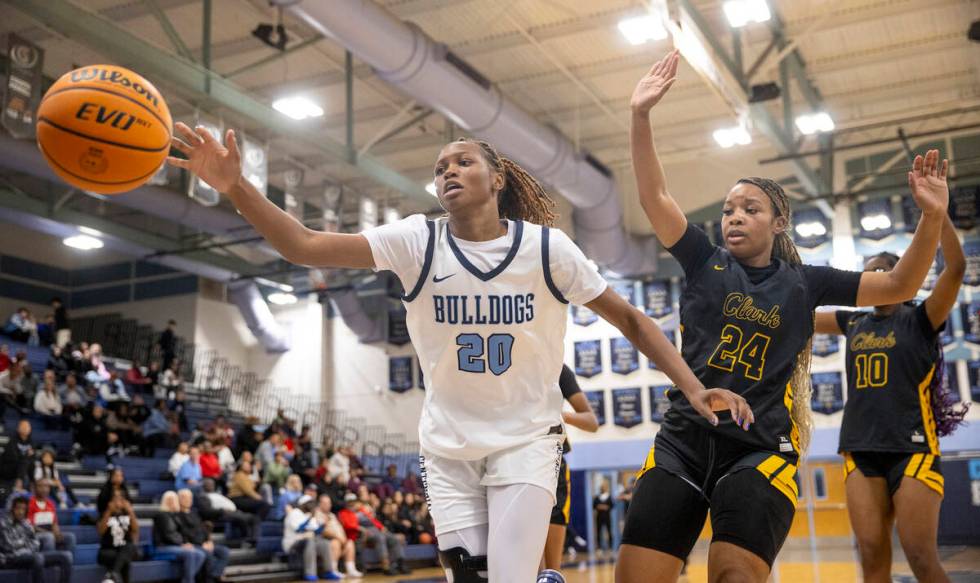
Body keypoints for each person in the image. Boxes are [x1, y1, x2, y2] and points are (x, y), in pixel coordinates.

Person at [168, 117, 748, 583]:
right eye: (440, 166)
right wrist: (235, 187)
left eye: (462, 161)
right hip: (447, 448)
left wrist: (692, 387)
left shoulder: (548, 249)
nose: (448, 171)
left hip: (526, 439)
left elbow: (631, 319)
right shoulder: (416, 241)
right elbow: (303, 245)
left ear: (496, 180)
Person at [617, 50, 950, 583]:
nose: (735, 217)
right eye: (728, 209)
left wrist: (931, 217)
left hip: (760, 448)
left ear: (779, 223)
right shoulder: (704, 259)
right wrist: (640, 115)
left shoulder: (805, 282)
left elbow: (902, 285)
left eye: (750, 208)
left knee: (734, 575)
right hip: (683, 437)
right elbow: (654, 194)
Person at [814, 216, 968, 583]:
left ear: (903, 277)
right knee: (870, 554)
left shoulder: (921, 318)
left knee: (920, 556)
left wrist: (938, 214)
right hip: (859, 447)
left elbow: (957, 268)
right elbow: (797, 318)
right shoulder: (853, 322)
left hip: (911, 447)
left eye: (884, 270)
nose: (877, 277)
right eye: (869, 273)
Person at [543, 364, 599, 572]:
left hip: (551, 460)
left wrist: (559, 415)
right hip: (510, 459)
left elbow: (591, 422)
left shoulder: (558, 369)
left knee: (549, 569)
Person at [0, 496, 72, 583]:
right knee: (38, 557)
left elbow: (35, 543)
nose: (20, 512)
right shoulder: (3, 523)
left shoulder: (26, 523)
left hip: (29, 555)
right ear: (12, 509)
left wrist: (25, 545)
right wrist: (26, 542)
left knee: (66, 556)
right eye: (18, 508)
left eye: (23, 509)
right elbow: (9, 546)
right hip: (11, 558)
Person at [337, 494, 408, 576]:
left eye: (353, 502)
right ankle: (386, 566)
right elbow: (347, 525)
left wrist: (381, 527)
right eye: (349, 502)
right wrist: (360, 528)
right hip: (364, 533)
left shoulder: (362, 511)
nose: (352, 504)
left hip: (375, 530)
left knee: (393, 538)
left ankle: (400, 562)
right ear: (346, 503)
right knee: (380, 537)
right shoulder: (344, 513)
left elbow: (373, 521)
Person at [283, 494, 342, 581]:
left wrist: (323, 525)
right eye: (309, 503)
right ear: (303, 504)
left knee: (324, 542)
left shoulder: (309, 515)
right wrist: (310, 517)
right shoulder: (294, 513)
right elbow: (299, 529)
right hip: (293, 544)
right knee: (310, 541)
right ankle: (310, 573)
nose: (311, 505)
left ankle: (328, 571)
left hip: (307, 542)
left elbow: (316, 531)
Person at [175, 489, 229, 583]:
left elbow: (203, 529)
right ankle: (211, 579)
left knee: (224, 551)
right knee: (207, 554)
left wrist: (209, 541)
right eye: (184, 497)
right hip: (192, 545)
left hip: (203, 543)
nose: (188, 500)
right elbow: (182, 533)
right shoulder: (176, 515)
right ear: (178, 499)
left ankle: (214, 575)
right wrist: (194, 543)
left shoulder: (195, 513)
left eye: (190, 497)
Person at [153, 491, 205, 583]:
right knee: (190, 553)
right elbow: (168, 535)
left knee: (200, 554)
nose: (172, 502)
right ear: (165, 501)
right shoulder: (161, 515)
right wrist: (182, 544)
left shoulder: (175, 516)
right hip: (163, 546)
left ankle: (186, 580)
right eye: (170, 500)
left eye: (174, 500)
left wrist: (185, 543)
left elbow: (182, 533)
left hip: (175, 545)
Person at [195, 478, 260, 546]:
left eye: (212, 484)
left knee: (254, 518)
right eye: (208, 484)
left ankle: (254, 539)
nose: (211, 486)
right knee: (243, 519)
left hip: (233, 511)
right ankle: (247, 539)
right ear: (204, 486)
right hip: (222, 514)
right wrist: (222, 510)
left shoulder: (217, 494)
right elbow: (207, 511)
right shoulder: (203, 497)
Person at [314, 494, 362, 578]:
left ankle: (351, 569)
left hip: (339, 540)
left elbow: (340, 528)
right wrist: (338, 537)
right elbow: (323, 531)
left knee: (350, 542)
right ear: (320, 504)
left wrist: (343, 538)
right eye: (325, 503)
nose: (327, 505)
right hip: (326, 541)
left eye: (329, 503)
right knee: (336, 543)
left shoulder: (332, 515)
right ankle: (333, 570)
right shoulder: (317, 514)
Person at [97, 489, 140, 583]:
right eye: (115, 498)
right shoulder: (105, 513)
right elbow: (100, 531)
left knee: (129, 548)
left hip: (125, 548)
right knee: (124, 558)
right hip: (107, 550)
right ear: (111, 500)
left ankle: (112, 575)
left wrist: (130, 511)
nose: (118, 501)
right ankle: (114, 574)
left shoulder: (127, 514)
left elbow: (136, 530)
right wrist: (109, 511)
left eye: (120, 498)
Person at [28, 479, 76, 555]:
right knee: (49, 537)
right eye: (40, 486)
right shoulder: (30, 503)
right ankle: (50, 563)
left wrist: (57, 532)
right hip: (35, 534)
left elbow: (54, 523)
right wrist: (50, 533)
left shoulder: (50, 504)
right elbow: (30, 526)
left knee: (70, 537)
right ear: (34, 488)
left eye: (46, 486)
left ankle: (66, 561)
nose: (44, 489)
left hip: (49, 532)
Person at [592, 481, 613, 560]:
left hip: (607, 517)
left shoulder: (609, 496)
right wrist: (601, 507)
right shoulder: (597, 497)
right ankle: (599, 548)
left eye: (604, 487)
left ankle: (610, 548)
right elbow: (594, 506)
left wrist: (604, 507)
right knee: (599, 532)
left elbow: (611, 506)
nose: (603, 488)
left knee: (609, 532)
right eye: (602, 487)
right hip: (599, 517)